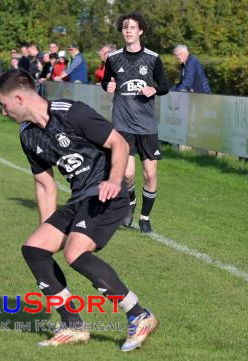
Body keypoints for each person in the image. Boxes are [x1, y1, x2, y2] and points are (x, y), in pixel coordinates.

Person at [0, 69, 158, 352]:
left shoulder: (71, 113)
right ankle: (72, 325)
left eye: (3, 105)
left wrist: (114, 181)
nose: (3, 112)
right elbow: (44, 185)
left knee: (75, 253)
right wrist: (48, 230)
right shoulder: (28, 135)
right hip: (80, 199)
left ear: (19, 98)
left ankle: (139, 315)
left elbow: (118, 142)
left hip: (107, 194)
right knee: (34, 249)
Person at [102, 12, 169, 233]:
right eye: (124, 27)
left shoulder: (152, 57)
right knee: (128, 174)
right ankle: (129, 204)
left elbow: (165, 86)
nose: (128, 30)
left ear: (140, 31)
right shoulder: (113, 58)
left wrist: (154, 89)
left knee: (150, 174)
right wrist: (107, 87)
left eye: (132, 27)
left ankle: (145, 217)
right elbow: (106, 82)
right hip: (122, 124)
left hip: (146, 126)